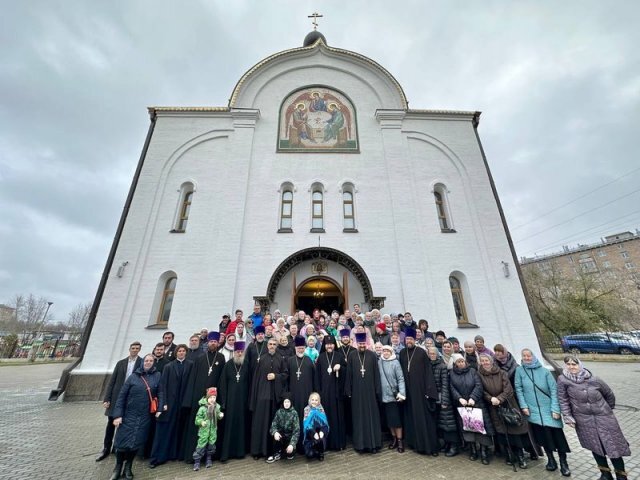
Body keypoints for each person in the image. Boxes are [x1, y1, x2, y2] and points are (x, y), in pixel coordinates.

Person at [557, 355, 631, 480]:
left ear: (579, 365)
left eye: (574, 364)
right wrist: (568, 416)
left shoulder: (594, 379)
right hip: (584, 420)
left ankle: (621, 475)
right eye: (568, 364)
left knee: (613, 446)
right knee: (596, 447)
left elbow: (609, 395)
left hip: (604, 418)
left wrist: (606, 410)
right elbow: (563, 400)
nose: (571, 367)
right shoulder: (563, 380)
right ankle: (605, 474)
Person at [515, 348, 571, 476]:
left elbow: (554, 391)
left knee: (558, 438)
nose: (527, 358)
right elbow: (519, 389)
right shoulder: (520, 371)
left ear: (533, 356)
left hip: (548, 410)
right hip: (533, 411)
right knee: (543, 437)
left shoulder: (544, 372)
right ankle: (551, 460)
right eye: (524, 356)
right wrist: (524, 406)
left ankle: (563, 463)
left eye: (529, 356)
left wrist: (556, 409)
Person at [110, 354, 160, 480]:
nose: (148, 362)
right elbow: (122, 396)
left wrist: (160, 408)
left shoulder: (157, 376)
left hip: (144, 416)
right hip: (129, 414)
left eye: (151, 361)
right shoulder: (133, 377)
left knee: (135, 443)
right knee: (121, 443)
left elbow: (160, 392)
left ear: (154, 363)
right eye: (146, 360)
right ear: (142, 362)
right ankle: (117, 467)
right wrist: (117, 415)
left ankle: (128, 466)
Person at [477, 353, 531, 469]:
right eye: (482, 361)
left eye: (487, 360)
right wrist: (491, 398)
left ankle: (520, 456)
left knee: (514, 430)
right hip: (493, 406)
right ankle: (509, 455)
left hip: (508, 404)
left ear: (491, 361)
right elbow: (481, 390)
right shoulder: (479, 375)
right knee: (502, 431)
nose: (485, 363)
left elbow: (508, 389)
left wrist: (500, 399)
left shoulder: (501, 372)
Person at [181, 331, 226, 462]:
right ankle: (193, 455)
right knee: (198, 424)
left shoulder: (221, 358)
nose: (213, 343)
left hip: (213, 398)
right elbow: (192, 379)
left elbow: (222, 379)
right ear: (208, 343)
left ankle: (209, 455)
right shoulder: (200, 358)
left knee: (211, 427)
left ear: (218, 343)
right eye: (211, 341)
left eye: (215, 342)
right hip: (198, 396)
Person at [97, 341, 142, 462]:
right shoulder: (121, 363)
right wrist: (107, 398)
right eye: (133, 348)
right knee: (111, 423)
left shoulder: (141, 362)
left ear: (139, 350)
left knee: (124, 424)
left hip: (131, 397)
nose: (135, 350)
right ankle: (106, 448)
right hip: (117, 396)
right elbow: (112, 381)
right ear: (129, 349)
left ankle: (118, 448)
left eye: (137, 348)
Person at [149, 344, 193, 467]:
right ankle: (157, 457)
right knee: (163, 430)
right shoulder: (169, 366)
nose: (181, 353)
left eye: (184, 351)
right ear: (176, 353)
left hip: (182, 403)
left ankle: (174, 454)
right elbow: (162, 386)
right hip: (169, 404)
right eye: (179, 351)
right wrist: (163, 403)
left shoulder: (190, 365)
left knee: (177, 429)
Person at [399, 328, 440, 456]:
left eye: (411, 339)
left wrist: (429, 391)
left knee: (424, 419)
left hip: (421, 392)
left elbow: (428, 372)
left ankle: (429, 446)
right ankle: (414, 443)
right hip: (409, 392)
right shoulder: (402, 353)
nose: (409, 341)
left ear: (415, 340)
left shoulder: (421, 352)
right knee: (411, 417)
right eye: (407, 339)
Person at [449, 353, 495, 465]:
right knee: (467, 428)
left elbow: (478, 385)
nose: (461, 363)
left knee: (481, 428)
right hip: (463, 405)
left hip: (476, 404)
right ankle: (473, 449)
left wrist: (473, 398)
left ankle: (484, 451)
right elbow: (452, 388)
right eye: (458, 362)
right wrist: (459, 398)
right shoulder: (451, 374)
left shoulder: (473, 371)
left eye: (462, 361)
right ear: (455, 364)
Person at [249, 337, 288, 459]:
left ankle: (271, 451)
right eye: (270, 344)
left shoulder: (280, 359)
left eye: (274, 344)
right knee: (260, 424)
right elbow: (255, 379)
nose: (272, 346)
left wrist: (275, 376)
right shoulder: (262, 359)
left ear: (277, 346)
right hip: (262, 396)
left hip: (274, 397)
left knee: (273, 424)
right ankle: (257, 451)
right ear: (267, 346)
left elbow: (285, 375)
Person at [345, 332, 382, 453]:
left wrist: (378, 390)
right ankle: (360, 446)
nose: (362, 345)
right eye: (360, 343)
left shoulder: (371, 355)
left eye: (363, 343)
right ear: (356, 343)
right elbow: (349, 374)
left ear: (366, 343)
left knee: (372, 417)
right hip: (356, 392)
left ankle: (373, 444)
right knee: (358, 418)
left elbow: (376, 374)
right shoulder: (351, 355)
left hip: (370, 392)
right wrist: (348, 390)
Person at [217, 341, 250, 462]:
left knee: (241, 425)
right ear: (234, 352)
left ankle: (240, 452)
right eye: (237, 351)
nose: (239, 353)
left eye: (241, 351)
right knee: (229, 426)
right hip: (230, 402)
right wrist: (224, 401)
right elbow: (222, 384)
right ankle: (227, 452)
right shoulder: (228, 365)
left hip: (243, 401)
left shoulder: (246, 364)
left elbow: (251, 383)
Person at [427, 346, 460, 457]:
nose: (431, 355)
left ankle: (454, 446)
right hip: (433, 399)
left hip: (443, 398)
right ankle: (446, 444)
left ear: (437, 354)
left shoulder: (442, 366)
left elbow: (445, 385)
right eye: (430, 353)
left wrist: (445, 401)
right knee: (440, 423)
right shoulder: (427, 366)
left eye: (433, 353)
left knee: (448, 423)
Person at [316, 335, 346, 450]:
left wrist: (341, 367)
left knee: (338, 418)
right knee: (326, 418)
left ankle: (338, 443)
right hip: (325, 394)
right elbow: (317, 376)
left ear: (334, 345)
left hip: (337, 393)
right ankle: (326, 444)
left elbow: (346, 370)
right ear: (325, 345)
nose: (329, 346)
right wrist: (319, 392)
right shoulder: (321, 357)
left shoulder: (339, 356)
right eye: (327, 344)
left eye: (331, 344)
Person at [288, 336, 317, 452]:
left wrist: (314, 394)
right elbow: (286, 378)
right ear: (295, 348)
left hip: (306, 396)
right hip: (294, 397)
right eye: (299, 348)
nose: (300, 350)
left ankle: (307, 444)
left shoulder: (309, 360)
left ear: (305, 348)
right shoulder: (290, 361)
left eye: (302, 348)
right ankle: (295, 445)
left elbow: (315, 379)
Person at [379, 345, 406, 452]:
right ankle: (394, 439)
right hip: (383, 397)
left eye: (387, 351)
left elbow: (400, 378)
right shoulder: (379, 362)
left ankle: (400, 441)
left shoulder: (395, 363)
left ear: (391, 352)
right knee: (389, 421)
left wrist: (402, 393)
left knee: (396, 421)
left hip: (394, 397)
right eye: (384, 351)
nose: (385, 353)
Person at [192, 387, 224, 471]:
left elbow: (217, 415)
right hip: (204, 431)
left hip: (212, 431)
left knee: (211, 446)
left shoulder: (216, 407)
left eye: (214, 397)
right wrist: (201, 422)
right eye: (211, 397)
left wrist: (220, 414)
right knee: (201, 445)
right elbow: (197, 419)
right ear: (207, 398)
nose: (212, 399)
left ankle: (208, 459)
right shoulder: (202, 408)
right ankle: (197, 462)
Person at [266, 393, 300, 463]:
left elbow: (296, 431)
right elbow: (273, 425)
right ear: (283, 403)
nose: (286, 404)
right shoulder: (279, 412)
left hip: (289, 439)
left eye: (288, 402)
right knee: (276, 436)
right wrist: (275, 432)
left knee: (289, 455)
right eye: (285, 402)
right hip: (281, 437)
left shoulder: (294, 413)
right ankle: (277, 453)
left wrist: (292, 444)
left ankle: (287, 451)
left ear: (291, 403)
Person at [303, 392, 330, 460]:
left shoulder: (320, 409)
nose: (314, 402)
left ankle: (321, 452)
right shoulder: (306, 409)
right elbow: (306, 426)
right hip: (311, 435)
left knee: (321, 439)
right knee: (309, 455)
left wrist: (322, 431)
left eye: (316, 400)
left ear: (319, 401)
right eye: (312, 400)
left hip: (319, 434)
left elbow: (325, 424)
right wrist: (313, 433)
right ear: (310, 400)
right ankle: (315, 450)